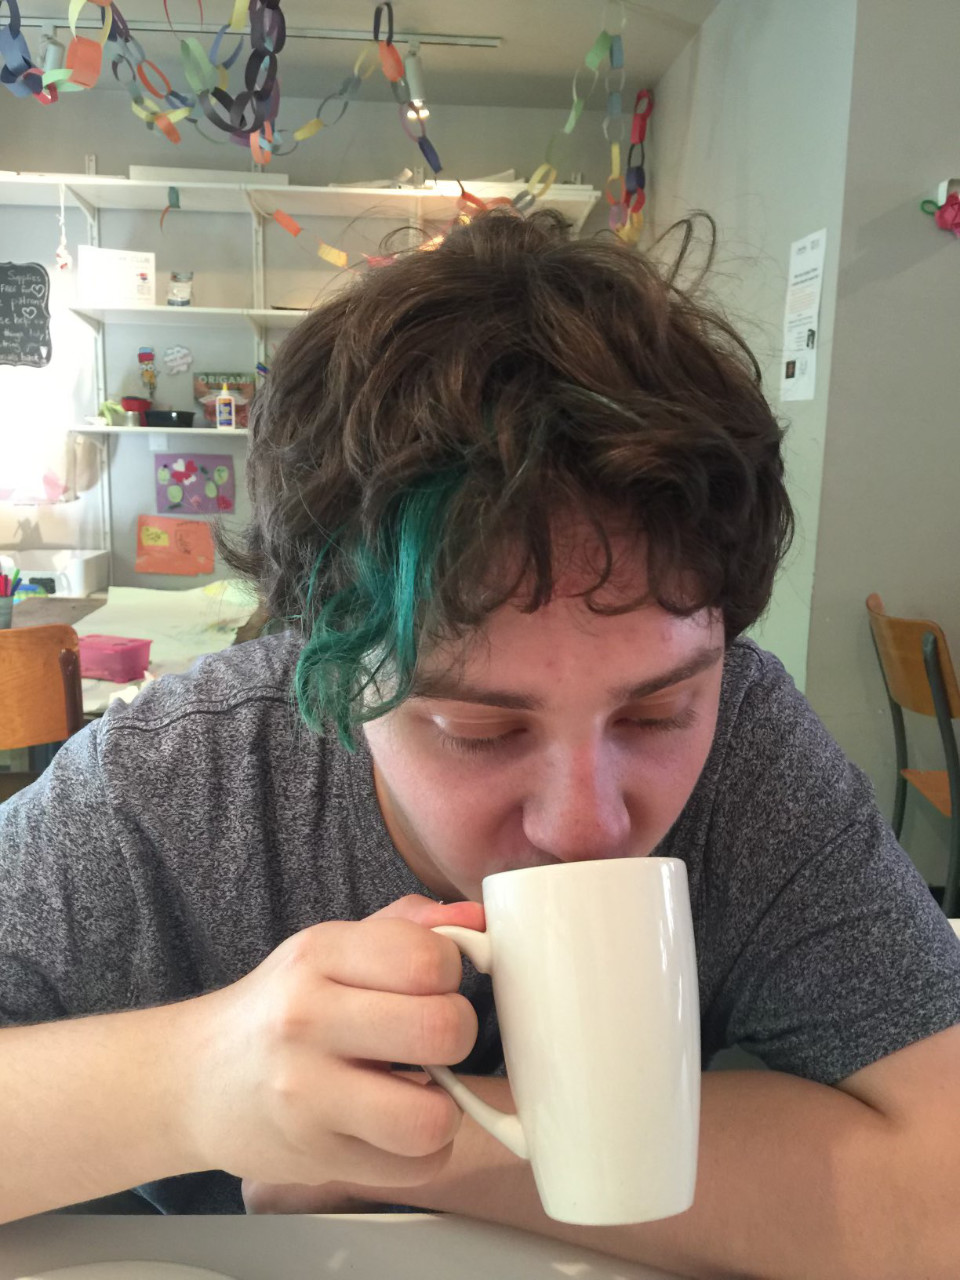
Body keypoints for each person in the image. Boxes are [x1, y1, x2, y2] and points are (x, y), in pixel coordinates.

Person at [2, 208, 959, 1278]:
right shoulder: (178, 781)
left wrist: (427, 1145)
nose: (589, 819)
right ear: (331, 673)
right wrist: (190, 1081)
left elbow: (942, 1193)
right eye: (479, 727)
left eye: (655, 714)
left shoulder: (750, 747)